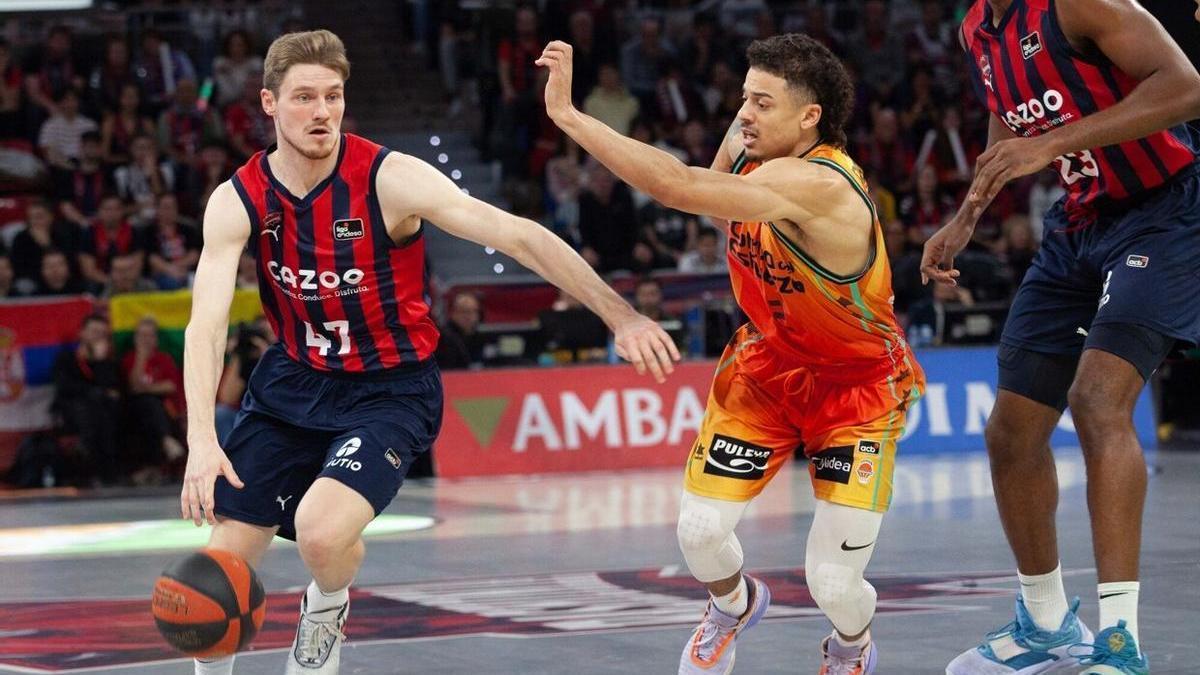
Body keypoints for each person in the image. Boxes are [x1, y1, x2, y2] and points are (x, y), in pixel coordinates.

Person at [180, 30, 678, 675]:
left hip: (389, 390)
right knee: (217, 571)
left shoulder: (390, 178)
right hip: (294, 386)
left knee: (322, 534)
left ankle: (326, 607)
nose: (322, 111)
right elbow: (206, 322)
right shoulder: (239, 198)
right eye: (305, 98)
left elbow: (518, 235)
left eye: (333, 95)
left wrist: (622, 313)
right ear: (271, 104)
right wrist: (200, 436)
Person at [539, 34, 924, 674]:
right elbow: (713, 193)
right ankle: (733, 604)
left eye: (762, 103)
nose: (743, 113)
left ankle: (851, 648)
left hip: (856, 389)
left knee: (832, 582)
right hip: (768, 369)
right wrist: (749, 116)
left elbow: (678, 187)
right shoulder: (758, 157)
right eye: (743, 97)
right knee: (699, 533)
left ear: (811, 118)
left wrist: (570, 117)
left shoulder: (816, 184)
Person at [921, 2, 1200, 673]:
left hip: (1162, 212)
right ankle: (1046, 624)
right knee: (1010, 432)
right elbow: (1009, 121)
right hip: (1077, 225)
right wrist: (967, 218)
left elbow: (1187, 84)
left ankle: (1119, 642)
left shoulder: (1077, 2)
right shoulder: (977, 27)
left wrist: (1052, 144)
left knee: (1099, 398)